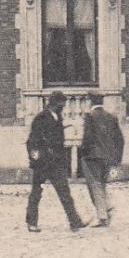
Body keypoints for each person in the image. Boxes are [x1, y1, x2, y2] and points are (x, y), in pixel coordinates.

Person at [25, 91, 87, 233]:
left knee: (64, 192)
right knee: (36, 192)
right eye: (61, 104)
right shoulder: (40, 118)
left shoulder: (57, 117)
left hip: (56, 162)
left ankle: (75, 222)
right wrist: (35, 154)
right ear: (54, 104)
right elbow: (33, 140)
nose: (64, 107)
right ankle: (31, 222)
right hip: (43, 163)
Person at [80, 93, 125, 227]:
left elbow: (87, 138)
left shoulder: (89, 117)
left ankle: (103, 216)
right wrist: (116, 160)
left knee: (95, 185)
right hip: (109, 157)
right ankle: (107, 209)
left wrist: (83, 153)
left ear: (90, 102)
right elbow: (120, 140)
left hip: (93, 157)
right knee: (101, 185)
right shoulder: (111, 117)